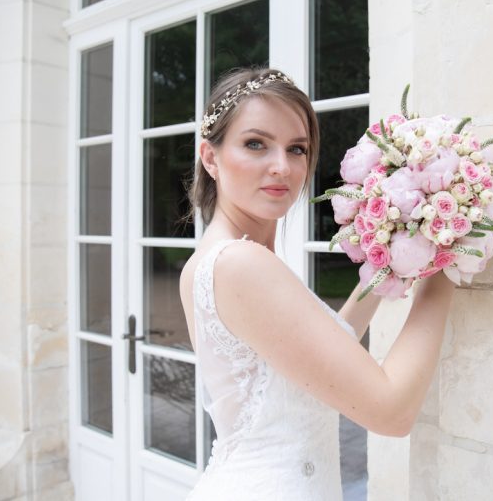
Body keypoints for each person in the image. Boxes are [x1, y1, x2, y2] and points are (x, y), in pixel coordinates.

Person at [179, 67, 455, 500]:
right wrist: (447, 260)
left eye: (297, 149)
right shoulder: (240, 264)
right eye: (256, 144)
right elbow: (392, 412)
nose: (282, 167)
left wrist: (394, 254)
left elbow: (314, 356)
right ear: (210, 158)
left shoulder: (214, 259)